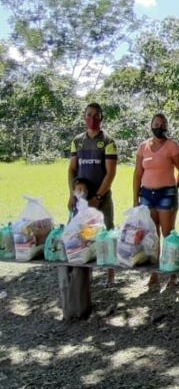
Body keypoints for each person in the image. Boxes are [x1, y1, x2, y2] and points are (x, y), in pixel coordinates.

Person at [134, 114, 179, 290]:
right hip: (147, 194)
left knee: (167, 233)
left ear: (166, 127)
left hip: (166, 194)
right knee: (152, 234)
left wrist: (173, 188)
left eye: (162, 124)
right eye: (156, 124)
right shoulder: (143, 147)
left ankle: (172, 274)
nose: (159, 127)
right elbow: (137, 173)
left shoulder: (172, 146)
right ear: (151, 125)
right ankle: (154, 274)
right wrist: (135, 197)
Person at [68, 102, 117, 283]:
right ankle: (85, 273)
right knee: (83, 234)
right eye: (89, 115)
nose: (93, 119)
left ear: (102, 118)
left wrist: (98, 197)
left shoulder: (108, 142)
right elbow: (72, 170)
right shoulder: (77, 141)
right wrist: (72, 193)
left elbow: (110, 173)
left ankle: (110, 274)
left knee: (107, 234)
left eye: (96, 115)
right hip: (82, 199)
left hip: (101, 198)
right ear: (84, 117)